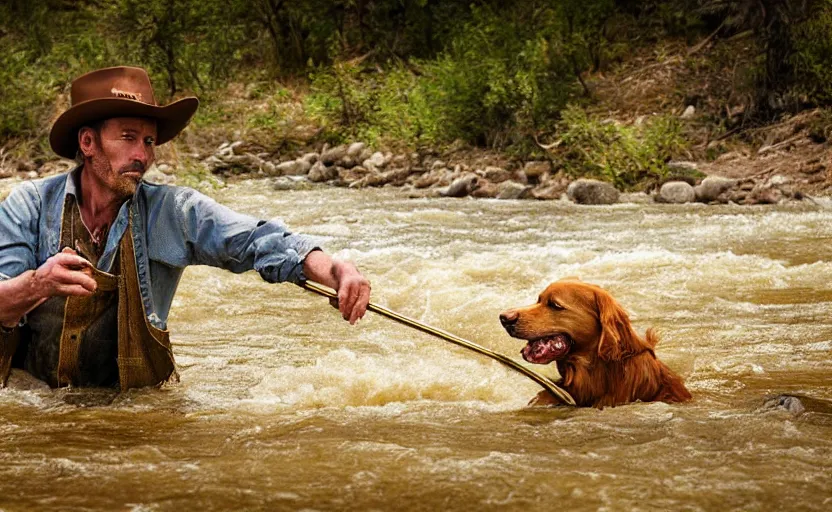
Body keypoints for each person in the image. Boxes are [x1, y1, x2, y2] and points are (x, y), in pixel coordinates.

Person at [0, 66, 371, 389]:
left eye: (148, 141)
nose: (143, 155)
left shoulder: (172, 211)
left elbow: (257, 240)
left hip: (131, 410)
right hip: (33, 401)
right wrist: (38, 284)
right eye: (128, 138)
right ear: (88, 141)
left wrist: (331, 268)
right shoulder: (29, 205)